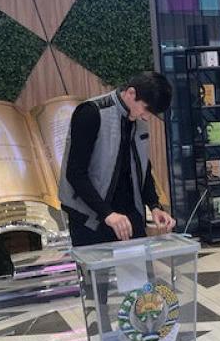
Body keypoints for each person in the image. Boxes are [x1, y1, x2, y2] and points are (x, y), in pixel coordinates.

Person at [59, 72, 176, 246]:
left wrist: (154, 206)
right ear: (131, 93)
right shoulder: (91, 113)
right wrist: (107, 214)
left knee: (137, 272)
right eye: (146, 109)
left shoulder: (139, 119)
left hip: (129, 215)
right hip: (91, 217)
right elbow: (75, 173)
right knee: (99, 272)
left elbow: (143, 167)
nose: (146, 117)